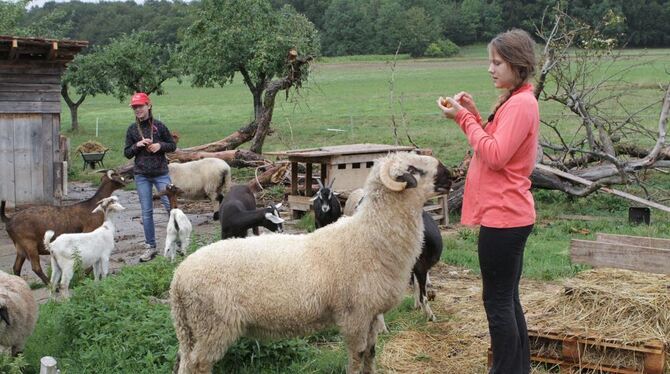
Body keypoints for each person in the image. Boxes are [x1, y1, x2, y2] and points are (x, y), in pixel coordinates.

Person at [437, 28, 539, 374]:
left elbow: (494, 156)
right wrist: (475, 115)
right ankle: (518, 369)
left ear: (516, 64)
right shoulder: (517, 100)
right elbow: (498, 144)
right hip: (509, 215)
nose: (490, 68)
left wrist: (463, 119)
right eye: (490, 62)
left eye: (497, 62)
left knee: (497, 302)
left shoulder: (522, 104)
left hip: (505, 218)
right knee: (508, 299)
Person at [123, 92, 176, 262]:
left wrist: (160, 146)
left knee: (171, 208)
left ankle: (179, 242)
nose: (138, 110)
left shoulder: (159, 126)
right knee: (146, 212)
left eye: (140, 106)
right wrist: (137, 145)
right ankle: (150, 247)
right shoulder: (132, 129)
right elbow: (126, 153)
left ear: (148, 106)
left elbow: (172, 146)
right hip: (142, 175)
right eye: (135, 107)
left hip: (161, 173)